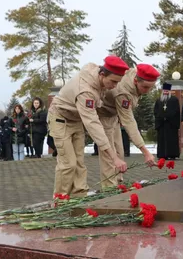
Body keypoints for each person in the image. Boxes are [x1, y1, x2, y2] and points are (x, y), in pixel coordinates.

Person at [48, 55, 129, 198]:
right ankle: (60, 200)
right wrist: (114, 157)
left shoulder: (97, 77)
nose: (114, 86)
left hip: (76, 120)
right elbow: (93, 125)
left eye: (118, 83)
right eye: (113, 82)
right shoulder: (86, 91)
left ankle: (79, 196)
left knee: (79, 162)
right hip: (60, 119)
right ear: (102, 75)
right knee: (68, 164)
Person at [97, 63, 159, 188]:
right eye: (145, 87)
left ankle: (118, 184)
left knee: (119, 152)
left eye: (150, 88)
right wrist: (145, 152)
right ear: (136, 80)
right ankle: (109, 189)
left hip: (113, 116)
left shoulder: (136, 75)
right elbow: (129, 122)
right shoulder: (124, 92)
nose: (147, 91)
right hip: (103, 115)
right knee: (110, 155)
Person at [154, 82, 180, 159]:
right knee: (161, 140)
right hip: (161, 124)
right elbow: (155, 111)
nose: (165, 92)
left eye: (167, 90)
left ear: (169, 91)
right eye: (164, 90)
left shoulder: (174, 100)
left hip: (171, 124)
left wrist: (168, 117)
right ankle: (162, 155)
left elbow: (176, 111)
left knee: (171, 140)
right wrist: (161, 118)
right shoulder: (159, 100)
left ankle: (172, 155)